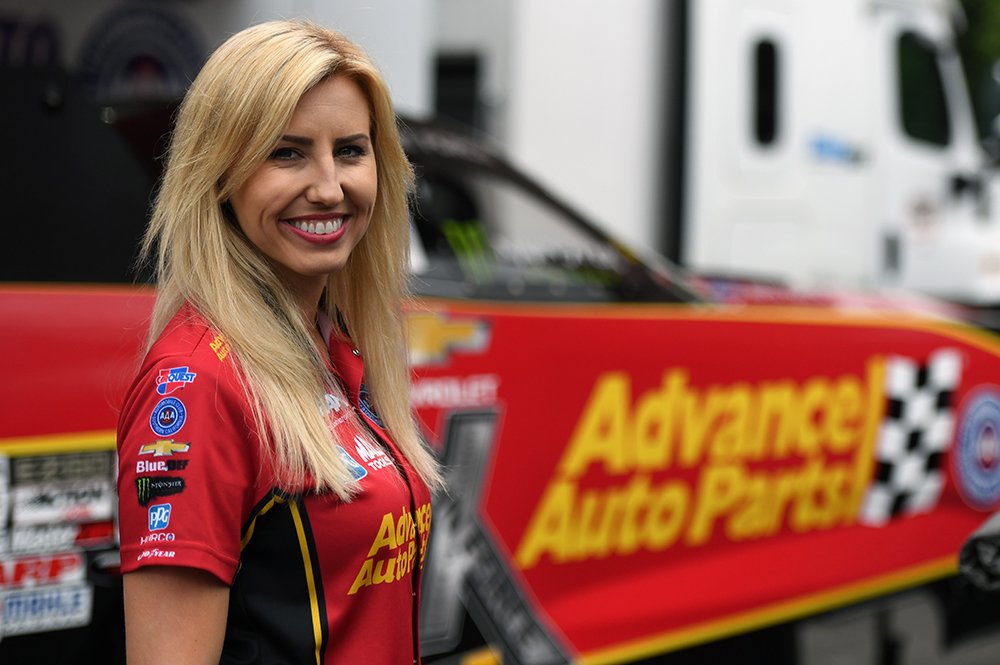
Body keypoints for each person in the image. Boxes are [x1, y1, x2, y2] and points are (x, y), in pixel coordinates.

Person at [116, 19, 442, 665]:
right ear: (220, 174)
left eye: (350, 150)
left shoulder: (335, 346)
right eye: (287, 153)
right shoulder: (198, 384)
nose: (329, 187)